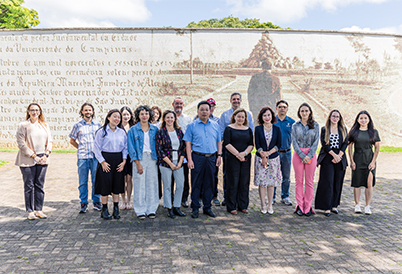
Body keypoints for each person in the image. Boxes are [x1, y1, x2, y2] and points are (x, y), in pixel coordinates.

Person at [184, 101, 222, 219]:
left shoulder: (215, 125)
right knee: (196, 183)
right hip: (197, 157)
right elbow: (188, 143)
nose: (204, 112)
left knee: (209, 183)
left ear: (210, 111)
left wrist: (219, 156)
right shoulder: (192, 126)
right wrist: (189, 160)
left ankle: (207, 207)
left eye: (207, 109)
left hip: (211, 157)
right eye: (202, 109)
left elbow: (219, 141)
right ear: (197, 111)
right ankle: (195, 208)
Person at [16, 103, 52, 220]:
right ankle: (30, 211)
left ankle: (39, 209)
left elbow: (50, 141)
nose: (34, 112)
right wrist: (34, 156)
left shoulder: (44, 125)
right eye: (32, 110)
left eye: (37, 110)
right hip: (28, 159)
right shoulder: (23, 125)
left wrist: (46, 155)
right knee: (29, 185)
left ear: (40, 112)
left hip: (43, 158)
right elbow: (21, 143)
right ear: (28, 111)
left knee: (39, 185)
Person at [219, 92, 254, 206]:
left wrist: (243, 154)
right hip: (231, 156)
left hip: (245, 158)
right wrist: (237, 154)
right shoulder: (226, 121)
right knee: (231, 180)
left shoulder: (248, 126)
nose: (236, 101)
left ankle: (242, 204)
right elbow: (226, 141)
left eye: (238, 99)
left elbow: (251, 142)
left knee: (244, 181)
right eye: (234, 99)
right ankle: (230, 203)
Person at [93, 109, 127, 220]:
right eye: (114, 116)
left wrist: (124, 161)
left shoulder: (122, 132)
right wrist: (102, 162)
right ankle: (104, 209)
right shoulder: (102, 131)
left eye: (118, 117)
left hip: (118, 160)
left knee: (117, 186)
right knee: (105, 186)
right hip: (105, 160)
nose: (117, 119)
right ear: (108, 117)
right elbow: (96, 148)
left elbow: (125, 147)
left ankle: (116, 209)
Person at [69, 102, 102, 213]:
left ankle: (96, 202)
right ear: (82, 112)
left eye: (90, 110)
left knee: (96, 180)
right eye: (86, 110)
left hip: (95, 157)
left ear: (93, 112)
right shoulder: (77, 126)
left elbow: (102, 140)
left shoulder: (98, 125)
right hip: (83, 157)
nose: (88, 112)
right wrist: (80, 148)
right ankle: (83, 203)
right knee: (83, 181)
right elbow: (72, 140)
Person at [127, 105, 159, 219]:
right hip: (139, 159)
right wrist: (137, 163)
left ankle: (151, 209)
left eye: (146, 113)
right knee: (139, 184)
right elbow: (131, 148)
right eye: (142, 114)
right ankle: (140, 210)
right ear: (138, 116)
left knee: (152, 184)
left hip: (152, 158)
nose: (144, 116)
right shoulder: (132, 130)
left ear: (149, 115)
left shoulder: (155, 129)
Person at [315, 110, 348, 216]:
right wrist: (334, 155)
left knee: (337, 182)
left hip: (340, 158)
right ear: (330, 117)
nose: (335, 118)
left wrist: (339, 156)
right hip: (328, 157)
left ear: (340, 118)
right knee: (327, 182)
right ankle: (326, 207)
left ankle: (334, 205)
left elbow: (345, 143)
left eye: (337, 116)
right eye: (333, 116)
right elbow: (324, 144)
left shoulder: (343, 129)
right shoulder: (325, 129)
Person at [348, 110, 380, 215]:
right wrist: (352, 161)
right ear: (357, 120)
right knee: (357, 183)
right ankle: (357, 205)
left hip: (369, 159)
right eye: (361, 118)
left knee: (368, 183)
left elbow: (376, 148)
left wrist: (373, 162)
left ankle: (367, 206)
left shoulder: (374, 132)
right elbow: (349, 147)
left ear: (369, 119)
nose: (363, 120)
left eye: (365, 118)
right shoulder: (354, 132)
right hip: (357, 159)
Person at [155, 110, 187, 218]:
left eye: (171, 117)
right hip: (165, 163)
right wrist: (170, 164)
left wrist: (180, 162)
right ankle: (169, 208)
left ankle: (177, 206)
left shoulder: (179, 131)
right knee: (167, 186)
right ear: (164, 119)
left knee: (181, 184)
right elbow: (159, 150)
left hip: (178, 162)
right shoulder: (160, 132)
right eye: (167, 117)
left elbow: (183, 148)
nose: (169, 119)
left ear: (174, 119)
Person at [291, 103, 319, 217]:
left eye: (306, 111)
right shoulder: (295, 126)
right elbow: (294, 142)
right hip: (298, 155)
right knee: (298, 181)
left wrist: (309, 155)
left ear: (310, 112)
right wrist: (303, 156)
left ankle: (307, 207)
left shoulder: (315, 125)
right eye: (302, 111)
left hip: (311, 156)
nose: (304, 113)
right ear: (299, 112)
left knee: (309, 182)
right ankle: (300, 206)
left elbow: (316, 142)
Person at [254, 107, 282, 215]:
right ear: (261, 117)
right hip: (260, 159)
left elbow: (278, 145)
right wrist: (263, 156)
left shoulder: (277, 129)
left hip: (274, 158)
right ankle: (263, 204)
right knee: (262, 183)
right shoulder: (258, 129)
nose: (267, 117)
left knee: (271, 183)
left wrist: (268, 154)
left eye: (269, 115)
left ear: (272, 116)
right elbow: (257, 144)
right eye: (264, 115)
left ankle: (270, 204)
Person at [273, 100, 295, 206]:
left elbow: (295, 138)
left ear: (287, 109)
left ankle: (285, 196)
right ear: (276, 108)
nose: (282, 108)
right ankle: (272, 197)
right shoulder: (272, 121)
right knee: (274, 175)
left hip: (287, 153)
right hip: (275, 153)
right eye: (280, 107)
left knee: (286, 176)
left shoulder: (291, 122)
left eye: (284, 107)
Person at [172, 97, 192, 207]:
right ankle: (171, 199)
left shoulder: (188, 119)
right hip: (171, 152)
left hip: (184, 151)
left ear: (183, 105)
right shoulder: (169, 118)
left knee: (184, 177)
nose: (178, 105)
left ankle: (184, 199)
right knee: (171, 179)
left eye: (180, 104)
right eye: (176, 103)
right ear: (173, 104)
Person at [247, 59, 281, 123]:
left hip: (257, 107)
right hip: (271, 108)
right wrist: (277, 109)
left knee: (257, 127)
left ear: (262, 67)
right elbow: (278, 96)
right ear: (271, 67)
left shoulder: (255, 77)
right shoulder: (276, 79)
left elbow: (250, 93)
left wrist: (251, 107)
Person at [119, 106, 135, 210]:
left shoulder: (133, 127)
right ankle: (123, 200)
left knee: (129, 179)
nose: (125, 116)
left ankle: (129, 200)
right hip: (119, 156)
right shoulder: (117, 127)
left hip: (130, 156)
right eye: (124, 114)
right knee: (121, 179)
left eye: (127, 114)